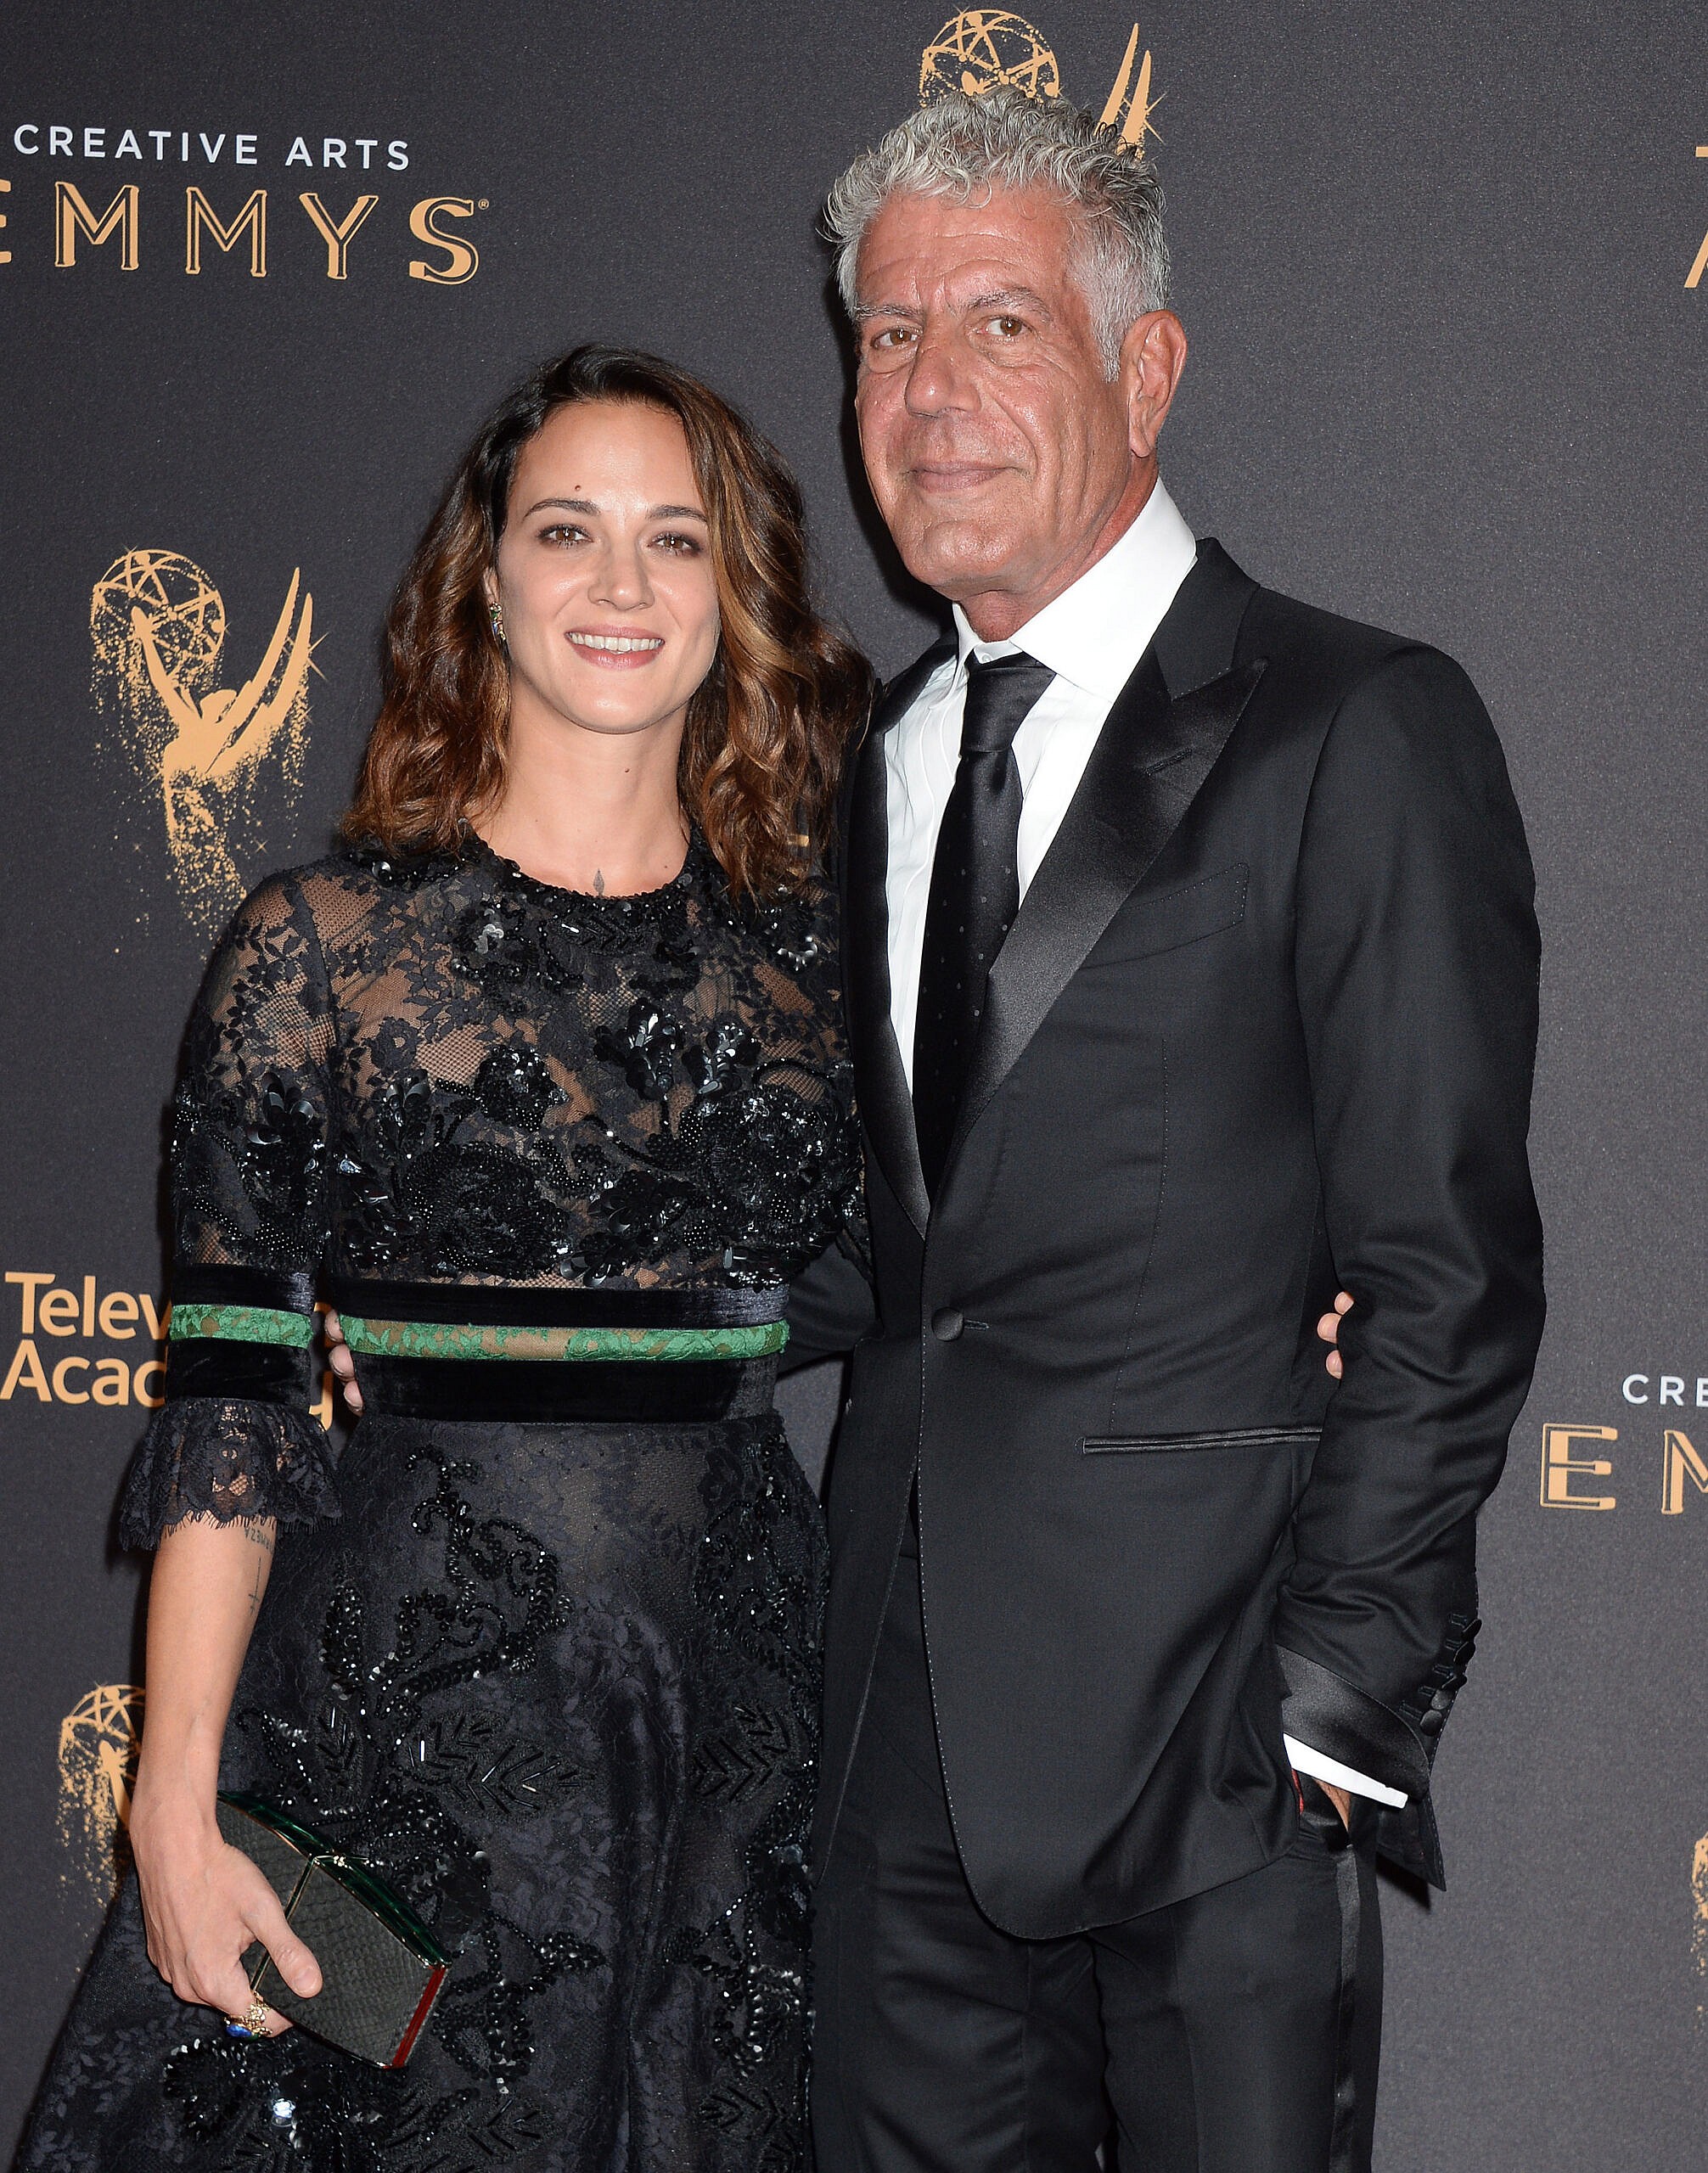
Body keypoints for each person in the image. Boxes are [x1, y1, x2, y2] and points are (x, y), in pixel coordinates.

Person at [783, 89, 1547, 2173]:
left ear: (1147, 366)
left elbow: (1446, 1272)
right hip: (893, 1756)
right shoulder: (874, 753)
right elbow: (881, 1244)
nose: (927, 393)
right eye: (885, 334)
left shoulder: (1353, 724)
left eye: (998, 326)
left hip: (1213, 1756)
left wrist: (1325, 1710)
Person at [18, 346, 870, 2173]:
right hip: (400, 1734)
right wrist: (171, 1800)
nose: (621, 587)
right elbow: (232, 1408)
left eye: (674, 540)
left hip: (735, 1732)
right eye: (570, 532)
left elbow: (1010, 1260)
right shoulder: (316, 955)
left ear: (738, 596)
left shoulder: (818, 983)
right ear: (484, 577)